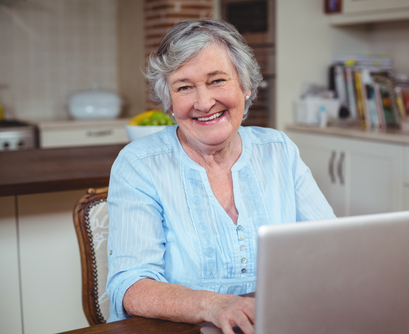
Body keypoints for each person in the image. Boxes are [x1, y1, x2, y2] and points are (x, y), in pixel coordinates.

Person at [106, 19, 335, 334]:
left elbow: (332, 248)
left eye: (217, 81)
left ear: (245, 86)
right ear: (170, 103)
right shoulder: (140, 165)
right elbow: (130, 285)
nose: (203, 102)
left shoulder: (278, 150)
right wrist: (213, 305)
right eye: (184, 87)